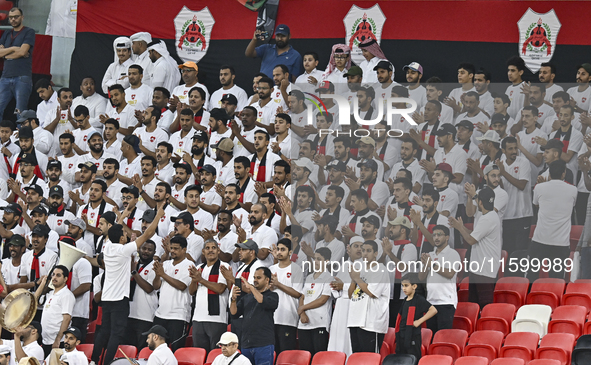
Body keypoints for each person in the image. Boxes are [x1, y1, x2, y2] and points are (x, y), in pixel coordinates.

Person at [89, 207, 162, 365]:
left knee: (103, 331)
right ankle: (107, 362)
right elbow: (148, 234)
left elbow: (115, 230)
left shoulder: (107, 247)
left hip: (106, 298)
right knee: (116, 334)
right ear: (122, 238)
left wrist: (121, 217)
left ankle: (94, 361)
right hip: (119, 300)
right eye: (124, 234)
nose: (126, 235)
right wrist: (159, 216)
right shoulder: (124, 250)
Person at [449, 187, 501, 308]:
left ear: (480, 202)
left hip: (485, 269)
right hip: (479, 268)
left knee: (484, 305)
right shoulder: (490, 215)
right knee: (474, 304)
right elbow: (474, 234)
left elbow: (471, 240)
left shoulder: (487, 218)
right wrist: (459, 227)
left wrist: (460, 227)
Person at [530, 160, 577, 280]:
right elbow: (572, 205)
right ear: (564, 173)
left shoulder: (539, 187)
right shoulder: (573, 190)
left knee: (532, 276)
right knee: (556, 279)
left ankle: (529, 297)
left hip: (540, 240)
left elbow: (536, 204)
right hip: (560, 243)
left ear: (549, 173)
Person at [347, 240, 390, 353]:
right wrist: (353, 278)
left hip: (371, 323)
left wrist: (357, 278)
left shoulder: (380, 269)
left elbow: (372, 293)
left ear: (376, 253)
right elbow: (350, 295)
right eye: (363, 251)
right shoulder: (360, 270)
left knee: (370, 358)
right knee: (357, 357)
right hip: (355, 320)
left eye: (368, 251)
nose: (365, 254)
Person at [230, 267, 278, 365]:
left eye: (258, 277)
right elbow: (234, 314)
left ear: (267, 280)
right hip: (246, 344)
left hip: (263, 344)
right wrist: (233, 299)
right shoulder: (247, 298)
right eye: (254, 277)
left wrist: (251, 287)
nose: (255, 280)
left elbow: (262, 301)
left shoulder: (273, 296)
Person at [152, 235, 193, 351]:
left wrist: (163, 274)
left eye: (176, 248)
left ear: (184, 249)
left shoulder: (189, 265)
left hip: (178, 316)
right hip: (160, 314)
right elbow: (156, 286)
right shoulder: (165, 264)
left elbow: (182, 286)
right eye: (171, 248)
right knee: (155, 349)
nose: (172, 251)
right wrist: (157, 274)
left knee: (176, 350)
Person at [189, 240, 229, 353]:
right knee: (198, 353)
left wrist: (200, 280)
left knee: (215, 355)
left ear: (218, 250)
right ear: (203, 251)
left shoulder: (224, 266)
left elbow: (220, 289)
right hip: (198, 318)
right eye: (207, 248)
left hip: (217, 319)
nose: (210, 250)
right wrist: (194, 280)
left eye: (213, 248)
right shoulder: (199, 268)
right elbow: (191, 291)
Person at [419, 225, 460, 334]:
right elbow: (421, 277)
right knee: (431, 336)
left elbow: (450, 273)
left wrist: (431, 264)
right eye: (434, 235)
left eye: (439, 235)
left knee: (443, 337)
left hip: (446, 302)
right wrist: (425, 265)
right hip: (431, 302)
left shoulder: (453, 254)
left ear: (447, 237)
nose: (436, 238)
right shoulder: (430, 255)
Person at [269, 238, 303, 353]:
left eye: (282, 249)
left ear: (290, 252)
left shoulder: (296, 269)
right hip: (271, 318)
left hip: (288, 318)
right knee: (272, 354)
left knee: (286, 354)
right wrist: (270, 287)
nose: (279, 252)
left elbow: (297, 293)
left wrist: (278, 284)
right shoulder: (271, 269)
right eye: (278, 249)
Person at [0, 8, 35, 118]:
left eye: (16, 17)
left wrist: (6, 54)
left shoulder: (29, 31)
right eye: (11, 17)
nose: (13, 19)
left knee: (20, 110)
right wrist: (15, 48)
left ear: (22, 17)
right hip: (5, 76)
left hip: (22, 76)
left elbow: (23, 51)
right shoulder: (6, 33)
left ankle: (22, 134)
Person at [298, 247, 333, 357]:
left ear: (326, 261)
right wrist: (302, 313)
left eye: (319, 259)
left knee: (319, 357)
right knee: (305, 356)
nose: (316, 262)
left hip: (319, 323)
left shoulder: (329, 278)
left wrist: (302, 308)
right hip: (304, 323)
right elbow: (303, 297)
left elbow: (323, 299)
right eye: (315, 259)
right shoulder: (309, 277)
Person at [394, 273, 438, 361]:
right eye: (402, 286)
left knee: (413, 359)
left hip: (413, 337)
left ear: (414, 286)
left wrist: (419, 321)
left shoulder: (419, 299)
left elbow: (433, 310)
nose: (404, 288)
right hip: (402, 336)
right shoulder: (404, 300)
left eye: (406, 285)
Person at [34, 265, 75, 356]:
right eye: (53, 275)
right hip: (46, 340)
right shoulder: (50, 294)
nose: (54, 277)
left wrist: (58, 339)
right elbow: (35, 301)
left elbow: (66, 319)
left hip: (57, 342)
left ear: (65, 279)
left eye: (58, 275)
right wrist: (43, 283)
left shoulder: (67, 295)